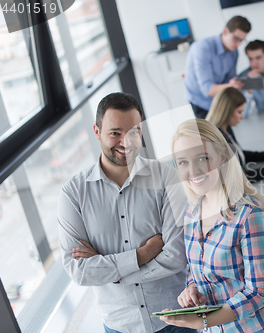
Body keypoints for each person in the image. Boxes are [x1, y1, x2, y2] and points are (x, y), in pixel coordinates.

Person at [57, 92, 195, 333]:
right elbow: (79, 271)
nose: (126, 142)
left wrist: (116, 274)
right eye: (115, 133)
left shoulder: (166, 178)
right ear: (97, 131)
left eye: (134, 132)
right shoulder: (73, 194)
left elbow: (176, 255)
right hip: (120, 325)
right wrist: (144, 253)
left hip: (178, 317)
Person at [160, 118, 264, 332]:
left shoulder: (250, 215)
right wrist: (191, 287)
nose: (194, 170)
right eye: (183, 162)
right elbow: (196, 268)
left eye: (202, 158)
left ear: (222, 157)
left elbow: (258, 293)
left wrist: (204, 321)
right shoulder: (192, 213)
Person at [206, 87, 264, 182]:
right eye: (239, 112)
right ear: (227, 111)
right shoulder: (215, 141)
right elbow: (241, 177)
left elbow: (238, 154)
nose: (242, 116)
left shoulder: (226, 128)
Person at [184, 16, 251, 119]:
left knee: (227, 134)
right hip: (200, 102)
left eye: (242, 40)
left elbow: (229, 81)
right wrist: (231, 86)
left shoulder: (233, 52)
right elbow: (208, 90)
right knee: (213, 134)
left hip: (220, 100)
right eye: (236, 39)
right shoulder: (202, 48)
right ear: (225, 31)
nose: (238, 44)